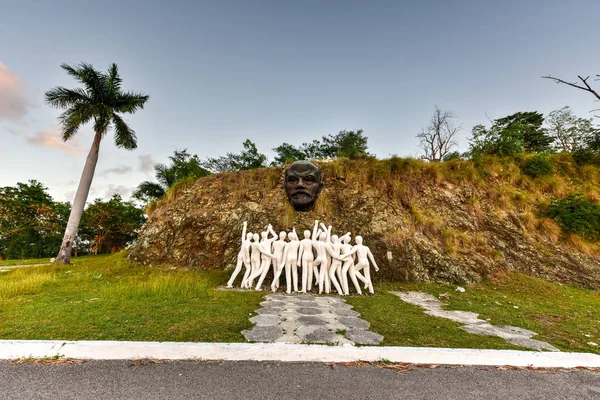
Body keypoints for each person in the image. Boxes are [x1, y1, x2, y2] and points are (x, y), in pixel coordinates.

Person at [226, 221, 252, 288]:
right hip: (244, 256)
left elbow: (243, 234)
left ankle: (230, 282)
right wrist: (248, 258)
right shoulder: (249, 243)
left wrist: (245, 225)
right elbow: (246, 249)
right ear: (251, 237)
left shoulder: (244, 241)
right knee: (248, 269)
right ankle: (243, 284)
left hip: (239, 255)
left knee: (237, 269)